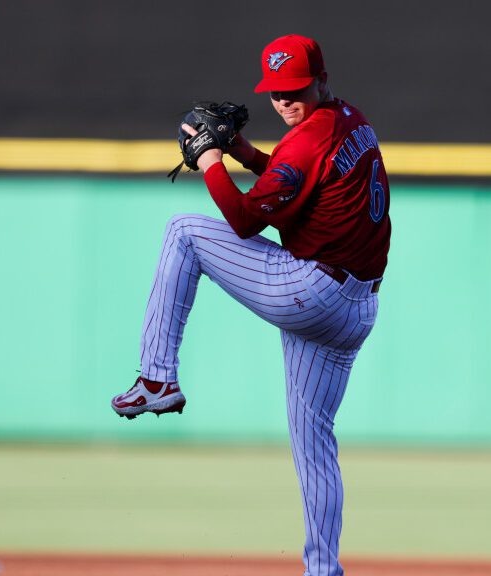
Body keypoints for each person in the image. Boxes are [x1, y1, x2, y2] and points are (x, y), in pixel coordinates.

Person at [111, 34, 390, 576]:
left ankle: (157, 377)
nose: (286, 102)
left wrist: (213, 160)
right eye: (277, 93)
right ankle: (323, 570)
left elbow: (243, 219)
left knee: (184, 232)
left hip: (313, 292)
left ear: (321, 80)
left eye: (296, 90)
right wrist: (242, 153)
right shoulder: (350, 121)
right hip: (355, 310)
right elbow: (297, 182)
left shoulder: (304, 143)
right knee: (314, 446)